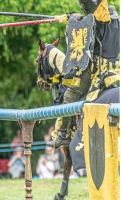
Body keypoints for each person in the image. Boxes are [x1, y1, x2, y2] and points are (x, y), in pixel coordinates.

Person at [44, 2, 120, 149]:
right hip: (114, 68)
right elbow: (92, 24)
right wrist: (73, 18)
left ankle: (64, 135)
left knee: (69, 96)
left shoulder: (101, 22)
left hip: (96, 71)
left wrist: (73, 20)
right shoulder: (115, 22)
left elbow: (87, 35)